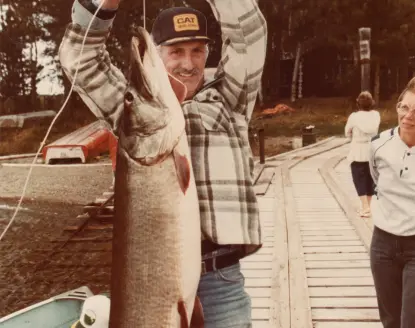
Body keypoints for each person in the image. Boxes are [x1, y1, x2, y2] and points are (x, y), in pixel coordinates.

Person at [59, 0, 267, 327]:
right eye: (175, 51)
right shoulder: (137, 109)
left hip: (221, 282)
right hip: (149, 281)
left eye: (197, 51)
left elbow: (249, 32)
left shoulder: (229, 99)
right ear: (156, 53)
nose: (188, 63)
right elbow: (80, 58)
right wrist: (103, 4)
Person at [369, 74, 415, 328]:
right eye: (404, 107)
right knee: (391, 322)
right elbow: (375, 178)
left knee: (414, 324)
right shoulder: (378, 145)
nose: (408, 116)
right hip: (383, 245)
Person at [345, 91, 380, 217]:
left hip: (358, 150)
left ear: (358, 103)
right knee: (370, 178)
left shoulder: (354, 117)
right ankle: (369, 206)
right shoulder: (376, 115)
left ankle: (365, 207)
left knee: (358, 178)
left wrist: (352, 136)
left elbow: (347, 132)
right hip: (371, 149)